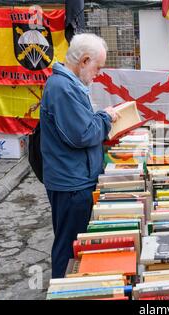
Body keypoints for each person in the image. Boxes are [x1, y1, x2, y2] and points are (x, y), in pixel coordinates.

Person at [40, 33, 119, 278]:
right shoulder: (63, 88)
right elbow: (81, 135)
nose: (98, 74)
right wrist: (105, 118)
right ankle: (62, 288)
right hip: (72, 181)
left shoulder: (68, 84)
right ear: (84, 61)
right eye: (98, 67)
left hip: (74, 177)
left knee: (73, 242)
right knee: (69, 245)